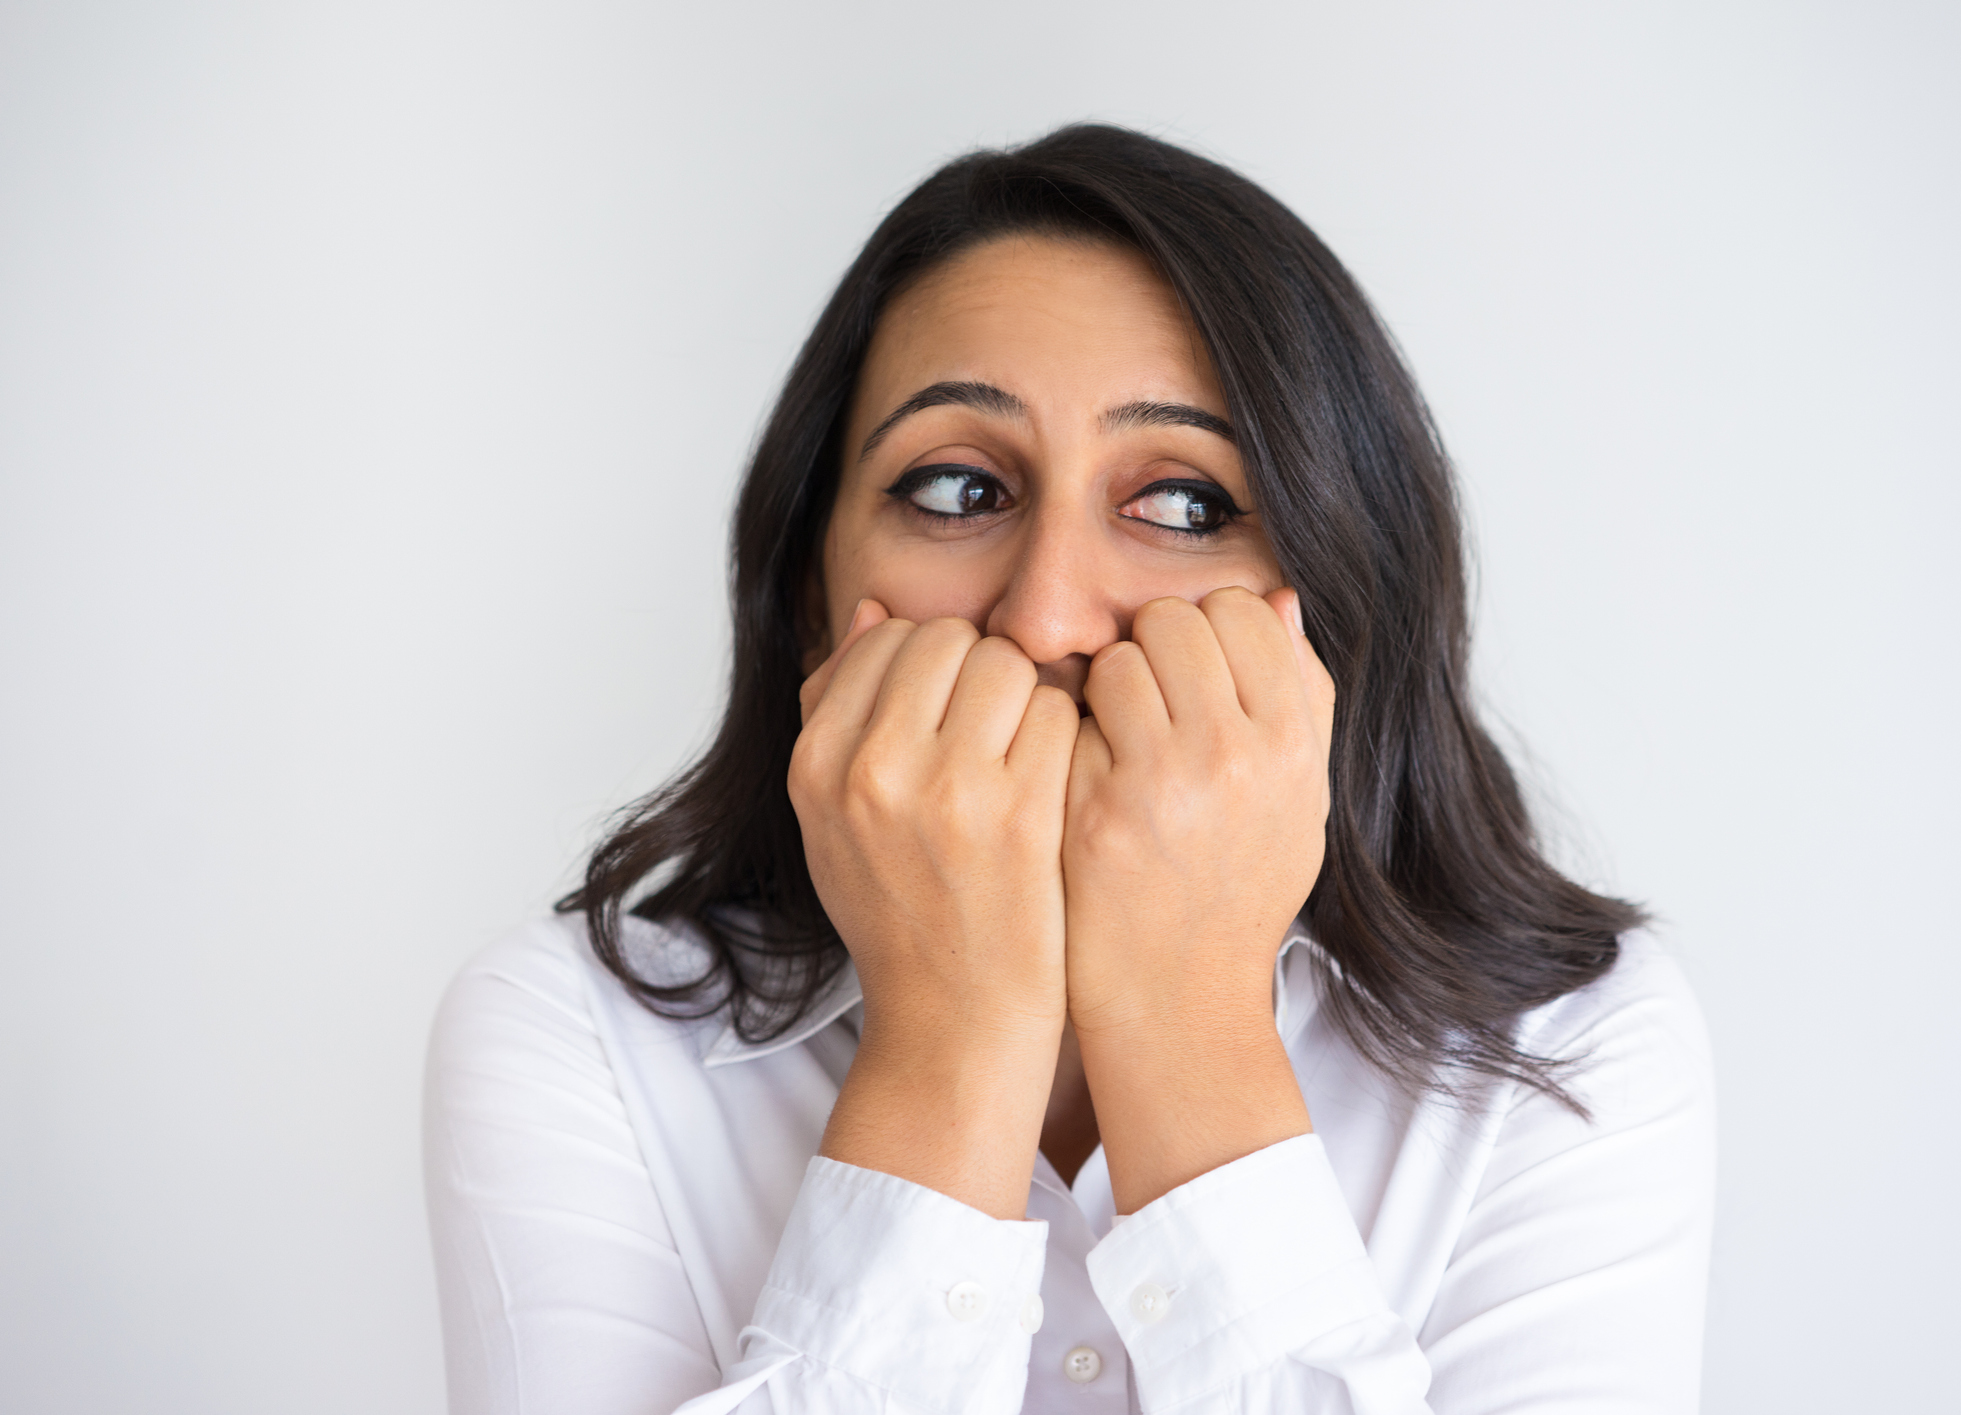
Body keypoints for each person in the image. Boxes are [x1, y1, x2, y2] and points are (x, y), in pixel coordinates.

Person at [423, 124, 1715, 1415]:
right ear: (813, 601)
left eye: (1186, 506)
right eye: (953, 488)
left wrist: (1191, 1027)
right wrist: (948, 1045)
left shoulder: (1577, 1051)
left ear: (1333, 607)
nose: (1046, 620)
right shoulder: (573, 1041)